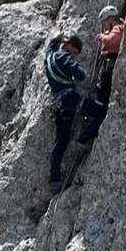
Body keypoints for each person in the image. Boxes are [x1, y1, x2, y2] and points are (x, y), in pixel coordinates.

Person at [43, 33, 89, 194]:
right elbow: (80, 74)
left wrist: (55, 40)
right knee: (98, 110)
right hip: (70, 99)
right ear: (69, 45)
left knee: (61, 141)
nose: (74, 56)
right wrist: (80, 71)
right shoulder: (64, 57)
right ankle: (84, 139)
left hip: (59, 104)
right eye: (74, 52)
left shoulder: (49, 57)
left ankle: (54, 178)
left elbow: (49, 48)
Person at [92, 5, 124, 117]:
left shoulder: (118, 28)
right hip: (105, 64)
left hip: (110, 64)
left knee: (104, 89)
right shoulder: (110, 30)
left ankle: (103, 110)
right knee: (101, 89)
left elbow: (112, 39)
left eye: (104, 22)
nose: (103, 26)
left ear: (110, 19)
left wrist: (102, 36)